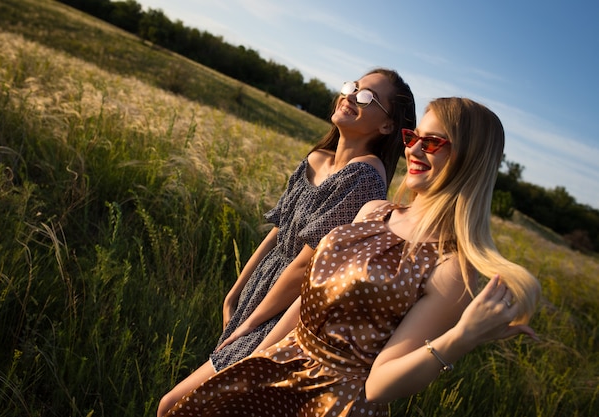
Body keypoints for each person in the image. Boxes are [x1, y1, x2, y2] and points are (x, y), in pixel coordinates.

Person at [161, 97, 542, 416]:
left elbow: (379, 386)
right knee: (174, 407)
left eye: (433, 143)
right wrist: (257, 358)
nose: (413, 149)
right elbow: (308, 301)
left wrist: (460, 338)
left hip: (331, 403)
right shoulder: (374, 211)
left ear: (470, 159)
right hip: (282, 361)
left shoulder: (449, 267)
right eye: (413, 138)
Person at [157, 68, 416, 416]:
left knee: (175, 406)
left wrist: (251, 325)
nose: (351, 96)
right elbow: (278, 233)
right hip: (261, 291)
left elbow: (305, 264)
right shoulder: (317, 159)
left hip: (287, 309)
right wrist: (234, 295)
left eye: (367, 96)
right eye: (352, 87)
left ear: (386, 126)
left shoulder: (364, 177)